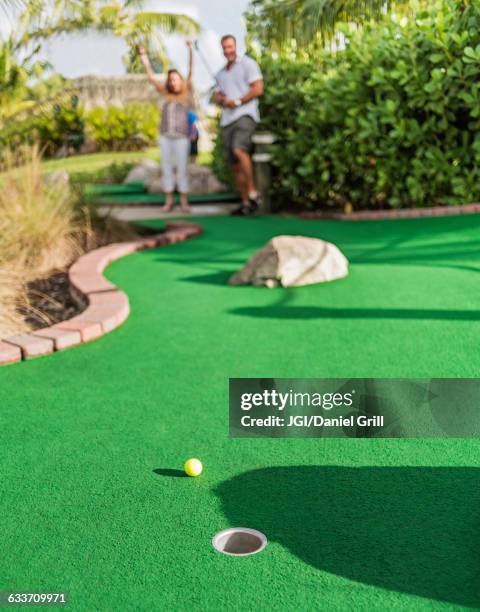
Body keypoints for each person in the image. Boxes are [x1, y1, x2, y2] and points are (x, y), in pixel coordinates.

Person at [139, 42, 194, 213]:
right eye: (170, 79)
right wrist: (144, 57)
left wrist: (190, 50)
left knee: (182, 168)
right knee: (167, 168)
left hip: (181, 137)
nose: (173, 81)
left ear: (180, 81)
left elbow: (191, 71)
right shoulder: (165, 94)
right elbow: (150, 77)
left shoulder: (186, 93)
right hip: (165, 137)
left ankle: (184, 202)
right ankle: (169, 201)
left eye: (176, 79)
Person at [215, 35, 264, 216]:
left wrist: (236, 102)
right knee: (234, 164)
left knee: (239, 149)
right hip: (227, 119)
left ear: (236, 46)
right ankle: (246, 202)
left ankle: (253, 191)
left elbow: (258, 88)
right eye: (225, 48)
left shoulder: (248, 64)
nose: (228, 51)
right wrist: (221, 99)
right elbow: (218, 95)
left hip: (245, 114)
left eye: (230, 47)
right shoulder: (221, 73)